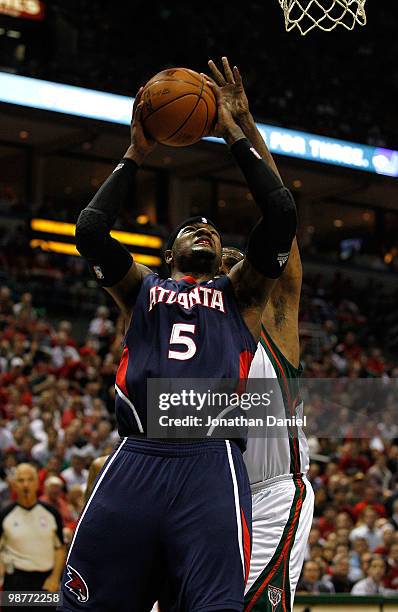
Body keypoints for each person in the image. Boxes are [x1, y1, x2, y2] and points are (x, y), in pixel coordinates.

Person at [59, 59, 297, 612]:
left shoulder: (242, 297)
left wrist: (235, 130)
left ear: (223, 257)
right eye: (191, 228)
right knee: (84, 604)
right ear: (169, 255)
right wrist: (135, 154)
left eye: (212, 229)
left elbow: (280, 211)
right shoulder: (140, 289)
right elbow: (91, 231)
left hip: (209, 462)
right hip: (137, 455)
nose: (204, 229)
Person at [208, 57, 314, 611]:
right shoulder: (196, 342)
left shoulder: (273, 321)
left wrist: (244, 128)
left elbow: (284, 233)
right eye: (221, 261)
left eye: (237, 257)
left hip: (274, 496)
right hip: (212, 497)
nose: (230, 260)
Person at [0, 464, 65, 610]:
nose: (25, 484)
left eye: (30, 480)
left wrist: (55, 577)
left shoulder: (51, 513)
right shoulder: (5, 515)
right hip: (15, 582)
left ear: (37, 483)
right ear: (14, 484)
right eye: (21, 480)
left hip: (47, 583)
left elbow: (60, 548)